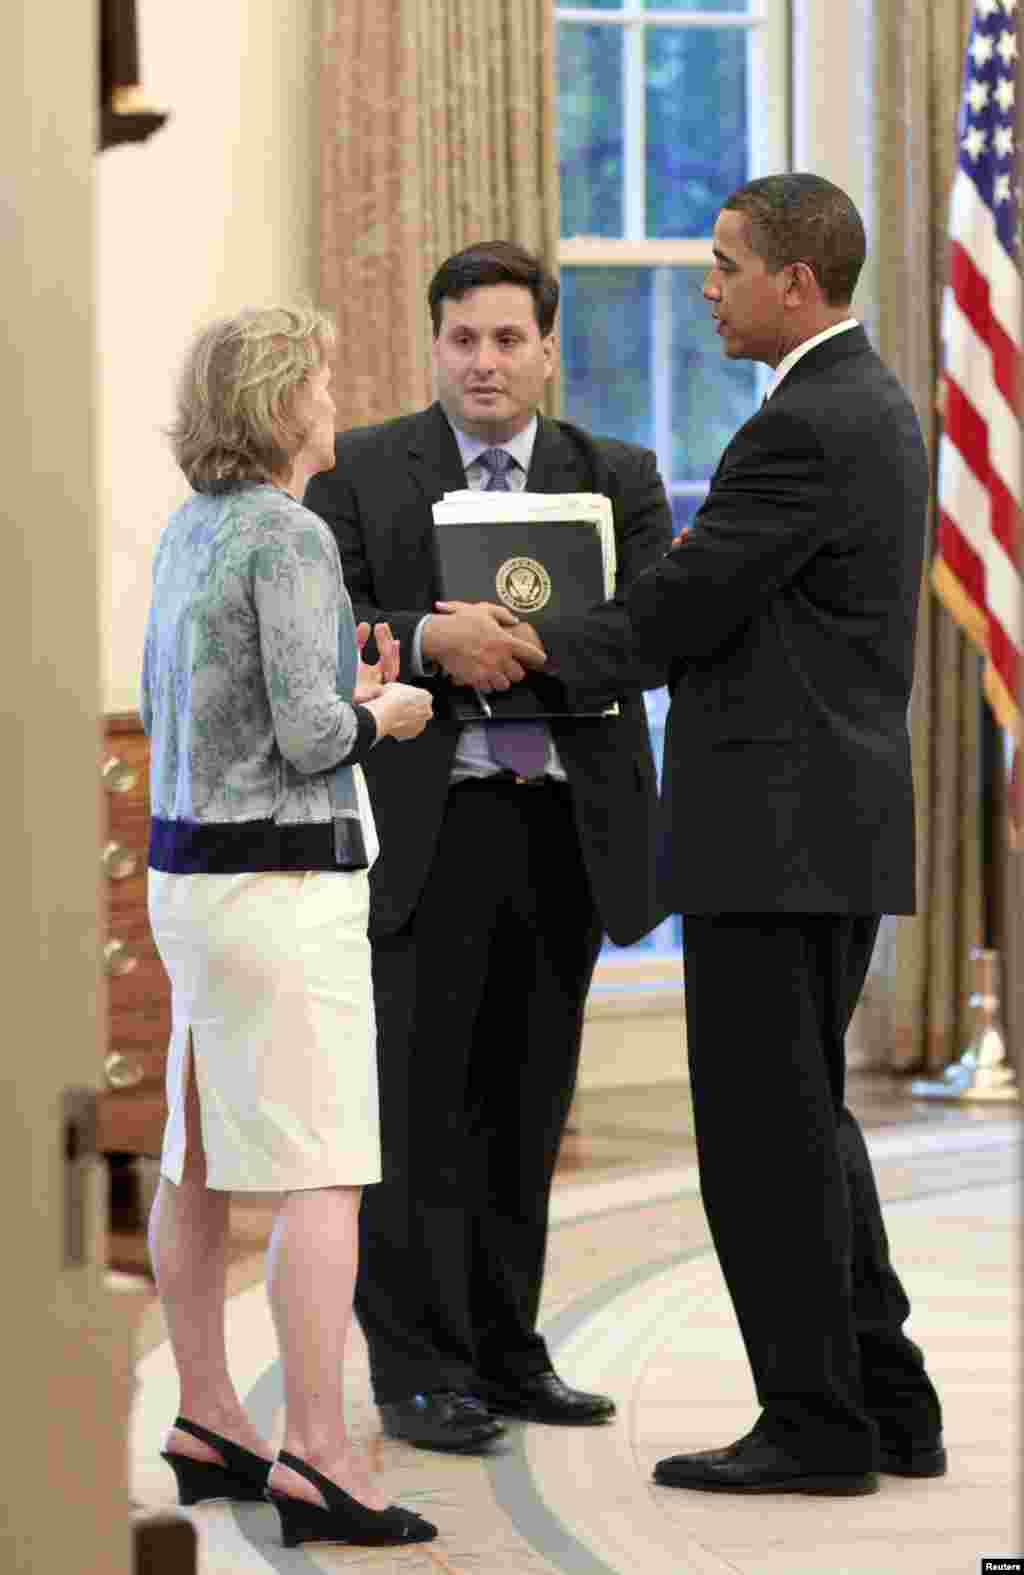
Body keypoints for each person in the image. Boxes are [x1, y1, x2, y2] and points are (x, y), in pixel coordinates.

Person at [304, 240, 672, 1451]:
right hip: (428, 825)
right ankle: (416, 1370)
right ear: (433, 344)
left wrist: (527, 641)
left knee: (526, 1105)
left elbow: (651, 634)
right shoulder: (362, 470)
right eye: (462, 338)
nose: (484, 361)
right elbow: (322, 626)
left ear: (548, 349)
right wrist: (424, 637)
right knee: (416, 1113)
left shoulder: (614, 474)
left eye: (509, 339)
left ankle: (509, 1352)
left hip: (564, 827)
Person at [626, 174, 945, 1496]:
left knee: (764, 1136)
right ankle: (887, 1397)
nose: (708, 283)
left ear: (793, 282)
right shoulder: (867, 402)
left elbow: (683, 608)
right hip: (823, 821)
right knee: (810, 1119)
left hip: (775, 830)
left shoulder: (807, 424)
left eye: (724, 262)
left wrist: (515, 644)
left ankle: (813, 1423)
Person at [141, 305, 437, 1548]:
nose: (335, 389)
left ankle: (209, 1415)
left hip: (188, 885)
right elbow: (314, 737)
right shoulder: (294, 533)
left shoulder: (188, 532)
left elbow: (231, 712)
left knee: (195, 1150)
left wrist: (335, 699)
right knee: (323, 1170)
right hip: (284, 887)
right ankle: (319, 1451)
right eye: (320, 373)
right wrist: (392, 711)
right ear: (281, 404)